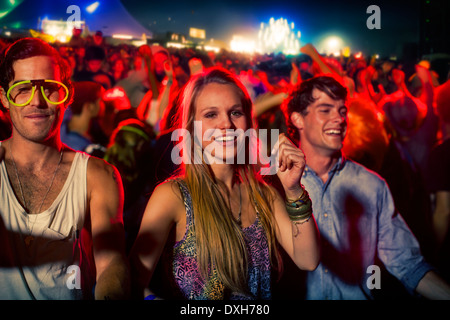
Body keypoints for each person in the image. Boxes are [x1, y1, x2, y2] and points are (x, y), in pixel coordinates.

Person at [128, 67, 320, 300]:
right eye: (211, 115)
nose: (226, 125)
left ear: (249, 122)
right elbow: (133, 281)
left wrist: (293, 190)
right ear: (191, 127)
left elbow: (308, 260)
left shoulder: (264, 195)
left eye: (235, 113)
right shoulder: (174, 195)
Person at [284, 75, 450, 300]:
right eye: (325, 110)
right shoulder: (275, 183)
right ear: (298, 119)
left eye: (342, 111)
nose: (339, 118)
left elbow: (408, 265)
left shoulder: (372, 185)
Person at [0, 37, 130, 299]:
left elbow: (111, 264)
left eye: (49, 88)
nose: (36, 102)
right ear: (4, 97)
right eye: (23, 88)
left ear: (66, 95)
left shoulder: (98, 176)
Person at [60, 81, 106, 153]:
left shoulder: (59, 131)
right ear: (89, 106)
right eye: (101, 100)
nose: (104, 105)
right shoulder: (83, 149)